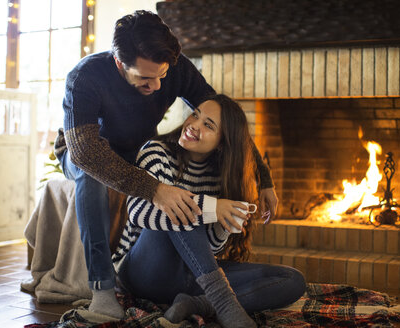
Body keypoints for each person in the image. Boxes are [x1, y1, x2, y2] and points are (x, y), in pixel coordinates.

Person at [54, 10, 278, 320]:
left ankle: (205, 299)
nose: (158, 86)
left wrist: (263, 178)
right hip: (85, 151)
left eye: (161, 75)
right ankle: (103, 289)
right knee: (92, 176)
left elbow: (227, 122)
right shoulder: (85, 78)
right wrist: (156, 190)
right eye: (145, 78)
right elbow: (85, 153)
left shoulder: (173, 69)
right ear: (120, 63)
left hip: (136, 148)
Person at [113, 94, 306, 328]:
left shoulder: (219, 175)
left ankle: (199, 304)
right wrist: (212, 207)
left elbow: (209, 249)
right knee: (181, 207)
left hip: (192, 277)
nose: (194, 125)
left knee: (292, 279)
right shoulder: (156, 152)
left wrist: (224, 225)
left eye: (208, 125)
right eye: (195, 115)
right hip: (144, 272)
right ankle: (224, 302)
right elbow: (137, 212)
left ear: (222, 142)